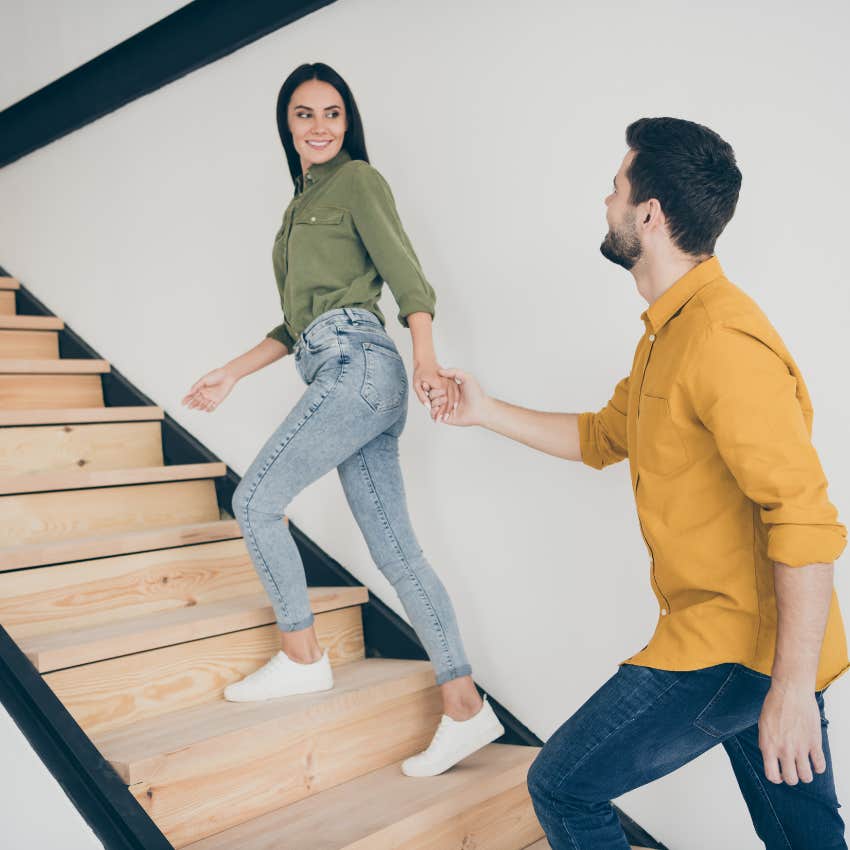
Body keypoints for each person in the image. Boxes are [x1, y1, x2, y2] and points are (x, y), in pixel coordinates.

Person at [430, 117, 848, 848]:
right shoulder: (669, 333)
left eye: (616, 186)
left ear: (648, 214)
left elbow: (804, 518)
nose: (607, 201)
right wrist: (483, 410)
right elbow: (602, 436)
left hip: (735, 651)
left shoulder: (721, 338)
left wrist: (788, 690)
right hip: (748, 648)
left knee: (562, 785)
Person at [180, 62, 504, 777]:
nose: (320, 126)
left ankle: (301, 654)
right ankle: (465, 707)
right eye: (305, 114)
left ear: (348, 123)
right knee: (398, 555)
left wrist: (425, 357)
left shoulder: (358, 182)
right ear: (287, 127)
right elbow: (300, 320)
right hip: (342, 367)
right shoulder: (297, 209)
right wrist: (232, 371)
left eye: (332, 114)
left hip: (359, 366)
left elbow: (408, 275)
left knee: (254, 500)